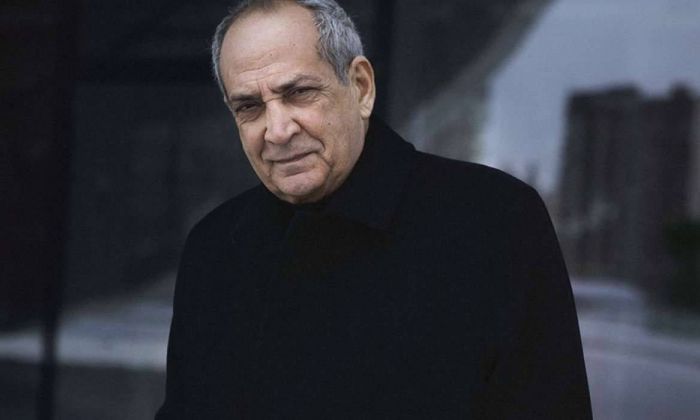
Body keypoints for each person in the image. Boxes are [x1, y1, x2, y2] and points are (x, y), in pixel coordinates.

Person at [156, 0, 592, 418]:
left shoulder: (494, 220)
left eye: (300, 93)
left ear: (361, 87)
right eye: (249, 107)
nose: (278, 130)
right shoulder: (215, 246)